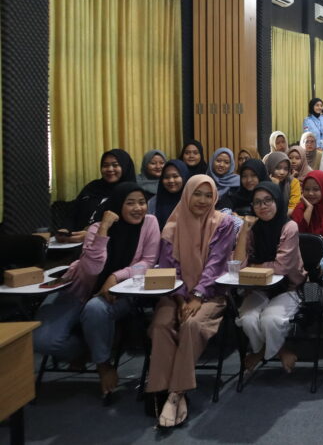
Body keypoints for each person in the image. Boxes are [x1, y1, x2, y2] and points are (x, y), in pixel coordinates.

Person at [35, 182, 160, 398]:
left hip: (122, 292)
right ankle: (89, 349)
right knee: (42, 340)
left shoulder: (150, 223)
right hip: (79, 289)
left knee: (95, 309)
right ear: (117, 205)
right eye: (130, 203)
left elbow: (148, 262)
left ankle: (103, 365)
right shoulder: (96, 228)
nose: (138, 208)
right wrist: (104, 229)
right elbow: (92, 269)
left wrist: (115, 276)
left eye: (142, 202)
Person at [146, 175, 235, 429]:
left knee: (191, 325)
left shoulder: (223, 223)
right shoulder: (172, 227)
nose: (203, 201)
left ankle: (175, 395)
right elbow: (168, 267)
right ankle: (160, 392)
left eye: (209, 196)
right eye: (198, 194)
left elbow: (216, 264)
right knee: (162, 325)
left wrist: (196, 295)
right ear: (187, 194)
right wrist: (182, 297)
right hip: (175, 294)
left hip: (211, 293)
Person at [233, 181, 305, 373]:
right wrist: (244, 231)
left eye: (267, 201)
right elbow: (238, 267)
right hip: (258, 287)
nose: (262, 206)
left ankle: (260, 352)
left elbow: (281, 268)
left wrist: (254, 266)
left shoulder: (289, 227)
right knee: (248, 319)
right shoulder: (252, 228)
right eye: (257, 202)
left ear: (277, 201)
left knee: (270, 320)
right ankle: (279, 350)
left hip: (288, 287)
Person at [67, 149, 138, 242]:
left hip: (109, 245)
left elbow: (127, 227)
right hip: (74, 240)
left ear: (125, 167)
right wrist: (65, 230)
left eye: (115, 165)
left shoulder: (132, 192)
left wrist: (91, 235)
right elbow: (73, 211)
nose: (109, 169)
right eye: (105, 165)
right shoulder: (92, 187)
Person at [291, 170, 323, 239]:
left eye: (315, 189)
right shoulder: (300, 208)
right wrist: (309, 208)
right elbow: (297, 236)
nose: (310, 193)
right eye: (306, 189)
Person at [149, 160, 190, 229]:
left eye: (175, 176)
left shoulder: (192, 201)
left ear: (184, 177)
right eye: (166, 177)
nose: (171, 180)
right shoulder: (153, 203)